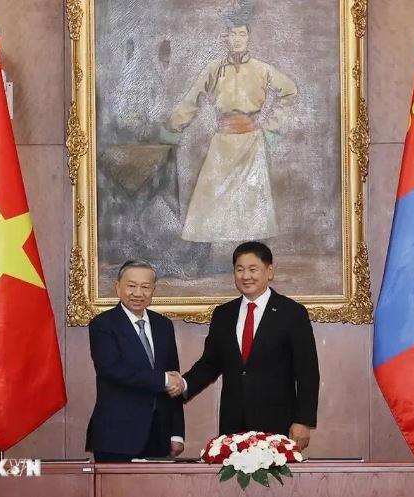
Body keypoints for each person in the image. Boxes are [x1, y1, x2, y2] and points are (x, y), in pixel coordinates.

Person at [169, 242, 319, 450]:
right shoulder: (223, 314)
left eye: (252, 269)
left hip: (278, 423)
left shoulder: (292, 313)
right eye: (239, 270)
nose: (245, 276)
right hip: (233, 425)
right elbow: (210, 363)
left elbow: (307, 372)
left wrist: (303, 420)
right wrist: (184, 384)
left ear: (269, 271)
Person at [165, 23, 297, 242]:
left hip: (251, 144)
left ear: (248, 38)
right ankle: (201, 256)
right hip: (222, 143)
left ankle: (251, 255)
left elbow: (289, 91)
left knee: (251, 202)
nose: (237, 39)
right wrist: (174, 126)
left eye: (242, 34)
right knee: (207, 200)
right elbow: (193, 98)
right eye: (233, 34)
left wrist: (271, 126)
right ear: (226, 38)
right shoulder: (214, 69)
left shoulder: (261, 69)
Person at [86, 261, 185, 461]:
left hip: (159, 436)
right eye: (131, 286)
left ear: (153, 290)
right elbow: (112, 370)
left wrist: (176, 433)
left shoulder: (163, 325)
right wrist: (164, 380)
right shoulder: (103, 325)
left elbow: (173, 377)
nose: (138, 293)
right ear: (118, 287)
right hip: (116, 437)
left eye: (145, 287)